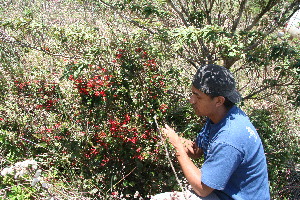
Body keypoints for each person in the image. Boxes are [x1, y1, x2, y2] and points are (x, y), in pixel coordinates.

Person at [151, 64, 270, 200]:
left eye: (198, 97)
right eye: (192, 93)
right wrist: (178, 140)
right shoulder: (220, 115)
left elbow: (202, 188)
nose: (191, 100)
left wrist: (177, 146)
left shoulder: (229, 138)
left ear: (219, 101)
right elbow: (197, 151)